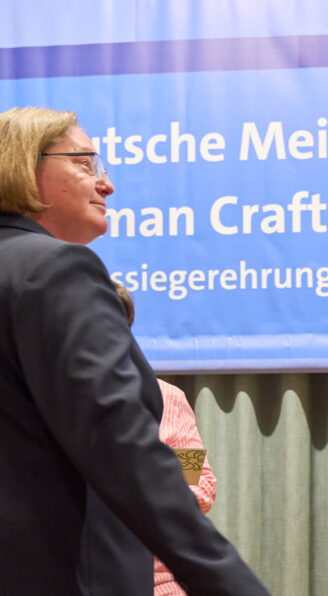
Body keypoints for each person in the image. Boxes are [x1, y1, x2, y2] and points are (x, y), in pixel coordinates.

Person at [0, 106, 269, 595]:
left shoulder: (171, 400)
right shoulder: (54, 270)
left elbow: (194, 475)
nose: (105, 183)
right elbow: (129, 452)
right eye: (85, 163)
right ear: (23, 165)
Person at [114, 282, 218, 596]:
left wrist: (144, 504)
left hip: (154, 582)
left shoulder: (166, 399)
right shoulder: (33, 400)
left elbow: (199, 486)